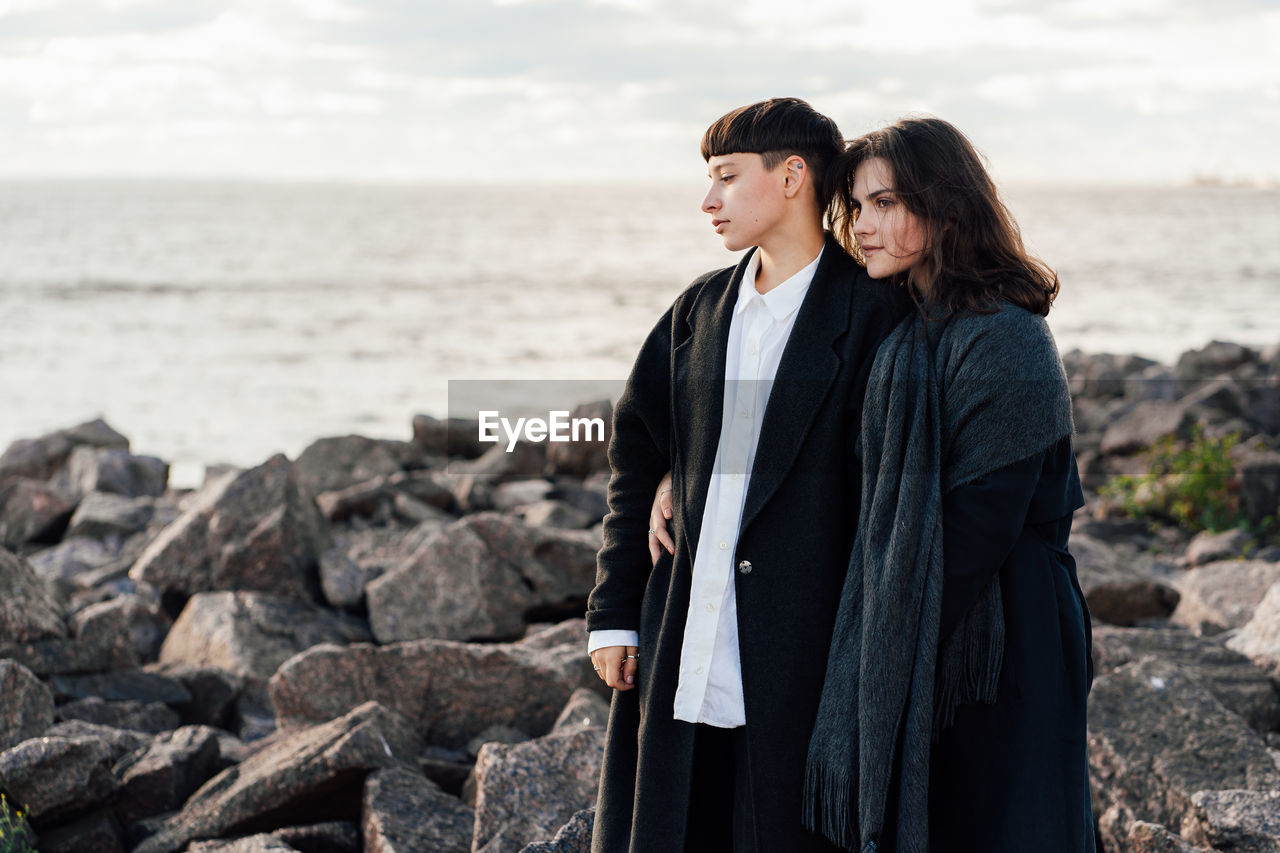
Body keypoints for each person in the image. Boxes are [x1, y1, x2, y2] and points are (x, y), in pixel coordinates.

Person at [585, 98, 913, 852]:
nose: (708, 200)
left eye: (727, 178)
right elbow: (636, 454)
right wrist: (614, 609)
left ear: (793, 175)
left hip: (799, 654)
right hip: (682, 645)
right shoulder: (696, 311)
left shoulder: (876, 318)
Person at [794, 116, 1096, 852]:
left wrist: (888, 642)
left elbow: (980, 527)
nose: (864, 225)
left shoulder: (1006, 337)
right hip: (934, 618)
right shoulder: (907, 332)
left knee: (1009, 823)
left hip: (1005, 634)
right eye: (858, 207)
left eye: (887, 204)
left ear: (946, 205)